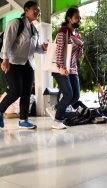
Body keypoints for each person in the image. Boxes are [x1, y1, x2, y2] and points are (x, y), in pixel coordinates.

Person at [0, 1, 47, 129]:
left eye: (39, 10)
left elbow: (35, 48)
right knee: (15, 92)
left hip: (28, 64)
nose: (38, 12)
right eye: (35, 9)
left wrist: (43, 48)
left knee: (26, 93)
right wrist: (5, 59)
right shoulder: (16, 23)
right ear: (26, 10)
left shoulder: (35, 29)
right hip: (13, 63)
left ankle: (23, 120)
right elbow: (7, 42)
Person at [45, 7, 84, 129]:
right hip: (60, 68)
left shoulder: (76, 35)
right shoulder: (63, 32)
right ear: (69, 18)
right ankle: (57, 121)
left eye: (79, 18)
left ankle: (56, 108)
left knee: (76, 96)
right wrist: (61, 67)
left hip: (72, 69)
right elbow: (59, 51)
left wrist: (80, 45)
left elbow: (78, 56)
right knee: (68, 94)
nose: (79, 20)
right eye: (76, 17)